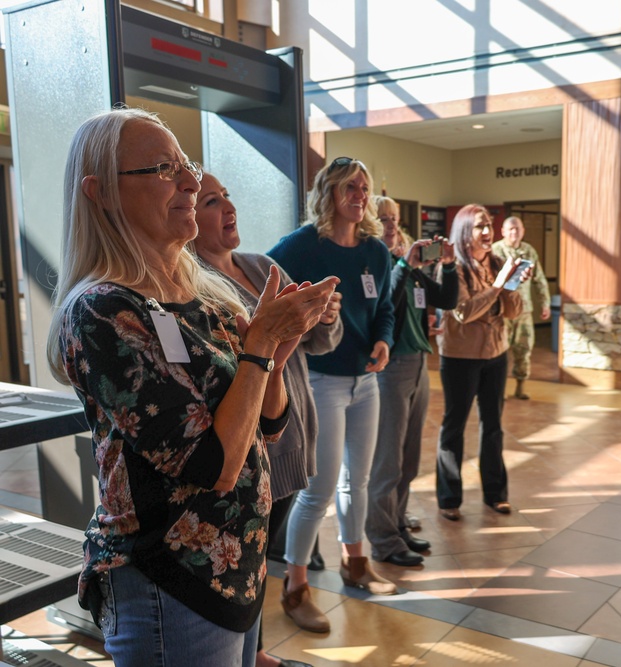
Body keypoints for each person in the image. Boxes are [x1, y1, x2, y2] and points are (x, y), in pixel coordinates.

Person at [48, 107, 337, 667]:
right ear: (101, 192)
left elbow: (270, 428)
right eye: (162, 169)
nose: (191, 182)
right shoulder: (102, 311)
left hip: (236, 571)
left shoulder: (205, 297)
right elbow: (213, 466)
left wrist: (275, 356)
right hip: (169, 581)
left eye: (186, 164)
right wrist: (257, 348)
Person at [191, 173, 343, 667]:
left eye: (227, 196)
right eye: (212, 201)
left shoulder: (260, 266)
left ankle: (252, 650)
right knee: (245, 561)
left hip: (291, 434)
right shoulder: (190, 284)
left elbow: (318, 346)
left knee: (260, 558)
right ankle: (250, 653)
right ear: (186, 216)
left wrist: (322, 318)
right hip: (245, 449)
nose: (227, 208)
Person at [268, 156, 399, 615]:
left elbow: (384, 307)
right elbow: (261, 279)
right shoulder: (304, 246)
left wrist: (384, 340)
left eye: (363, 188)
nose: (359, 196)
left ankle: (355, 562)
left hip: (367, 384)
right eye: (349, 188)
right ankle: (295, 585)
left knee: (357, 481)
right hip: (322, 383)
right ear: (329, 194)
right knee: (319, 489)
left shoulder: (375, 252)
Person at [365, 195, 458, 566]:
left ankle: (397, 523)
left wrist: (448, 266)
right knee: (387, 459)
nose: (390, 225)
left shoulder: (408, 264)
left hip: (419, 363)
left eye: (394, 218)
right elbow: (383, 301)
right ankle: (384, 539)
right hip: (390, 368)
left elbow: (446, 300)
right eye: (382, 218)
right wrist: (405, 263)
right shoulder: (373, 262)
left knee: (408, 458)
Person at [435, 204, 525, 521]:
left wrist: (513, 285)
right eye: (479, 227)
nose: (487, 232)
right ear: (464, 232)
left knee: (494, 427)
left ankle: (495, 494)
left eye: (489, 225)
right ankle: (449, 498)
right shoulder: (453, 267)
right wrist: (498, 285)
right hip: (460, 357)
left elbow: (513, 312)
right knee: (454, 426)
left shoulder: (499, 262)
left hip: (496, 354)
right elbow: (463, 312)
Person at [491, 216, 551, 399]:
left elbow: (539, 278)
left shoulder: (528, 251)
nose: (514, 233)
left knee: (524, 349)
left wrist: (545, 303)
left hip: (524, 310)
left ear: (523, 231)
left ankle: (520, 387)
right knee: (499, 351)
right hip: (502, 310)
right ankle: (498, 389)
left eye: (517, 229)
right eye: (510, 229)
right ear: (503, 231)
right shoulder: (496, 250)